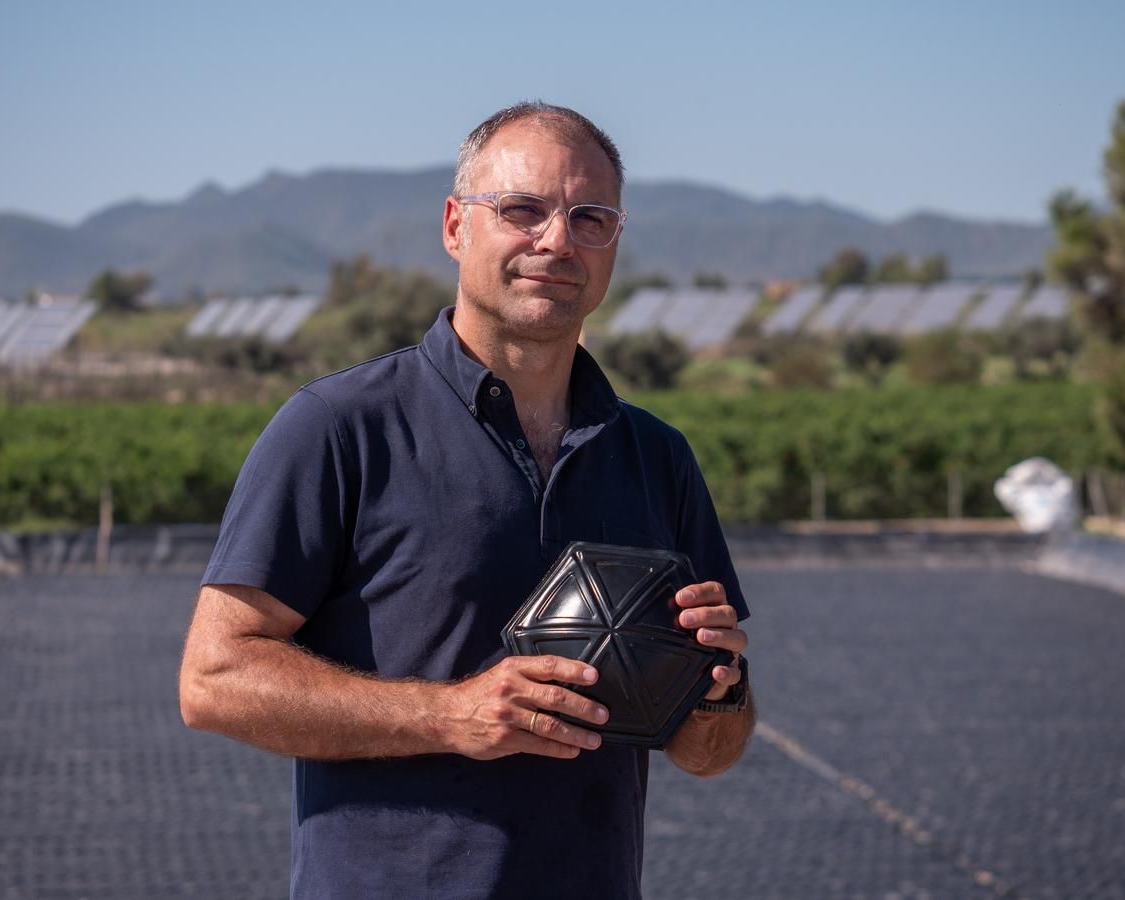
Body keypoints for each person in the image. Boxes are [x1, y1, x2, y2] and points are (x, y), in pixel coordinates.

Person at [179, 101, 754, 899]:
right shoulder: (339, 428)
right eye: (522, 210)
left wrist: (722, 689)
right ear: (455, 227)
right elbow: (213, 679)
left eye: (590, 218)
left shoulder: (656, 456)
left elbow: (707, 752)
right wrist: (447, 715)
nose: (557, 241)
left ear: (615, 242)